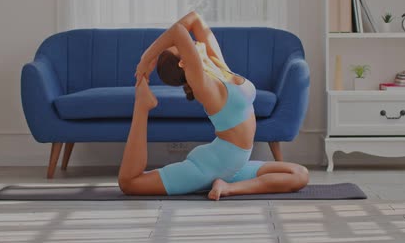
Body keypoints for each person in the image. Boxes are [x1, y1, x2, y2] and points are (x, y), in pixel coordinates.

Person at [118, 12, 309, 200]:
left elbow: (194, 19)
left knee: (300, 174)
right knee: (130, 183)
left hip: (233, 166)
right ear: (185, 63)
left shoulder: (218, 66)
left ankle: (228, 186)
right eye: (183, 47)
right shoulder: (203, 84)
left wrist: (156, 53)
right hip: (209, 168)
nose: (193, 42)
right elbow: (178, 30)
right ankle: (142, 105)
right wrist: (146, 58)